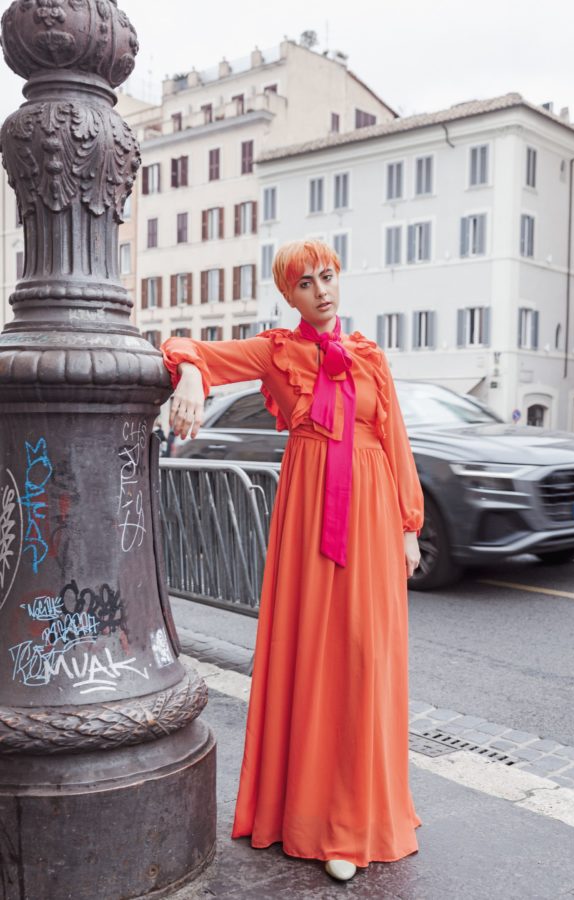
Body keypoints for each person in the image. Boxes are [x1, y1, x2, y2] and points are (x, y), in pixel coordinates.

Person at [161, 240, 424, 883]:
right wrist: (192, 375)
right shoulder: (277, 350)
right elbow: (185, 347)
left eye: (327, 276)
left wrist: (409, 526)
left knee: (365, 658)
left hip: (370, 515)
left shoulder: (370, 358)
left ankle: (363, 809)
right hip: (309, 517)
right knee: (317, 657)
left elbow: (394, 441)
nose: (321, 290)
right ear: (290, 296)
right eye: (305, 283)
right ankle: (322, 819)